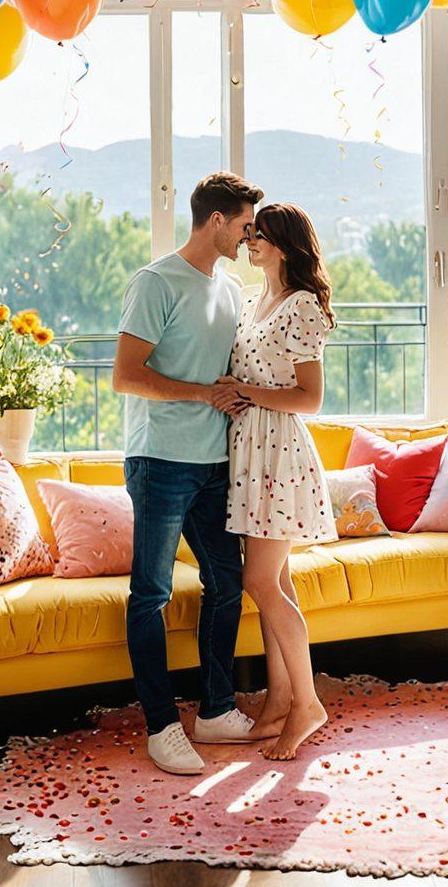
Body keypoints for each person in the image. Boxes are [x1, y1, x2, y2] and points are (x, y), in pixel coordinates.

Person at [112, 172, 264, 775]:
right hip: (160, 461)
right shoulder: (155, 282)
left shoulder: (228, 290)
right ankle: (161, 725)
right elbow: (126, 375)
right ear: (218, 220)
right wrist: (204, 395)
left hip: (214, 463)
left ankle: (216, 709)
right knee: (149, 593)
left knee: (228, 582)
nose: (250, 236)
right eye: (246, 224)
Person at [212, 203, 337, 761]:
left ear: (284, 244)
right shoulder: (251, 299)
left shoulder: (302, 306)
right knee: (275, 583)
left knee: (259, 582)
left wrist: (244, 393)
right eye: (249, 233)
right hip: (251, 452)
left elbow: (309, 398)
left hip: (280, 454)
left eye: (259, 235)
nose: (249, 242)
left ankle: (307, 703)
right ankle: (280, 699)